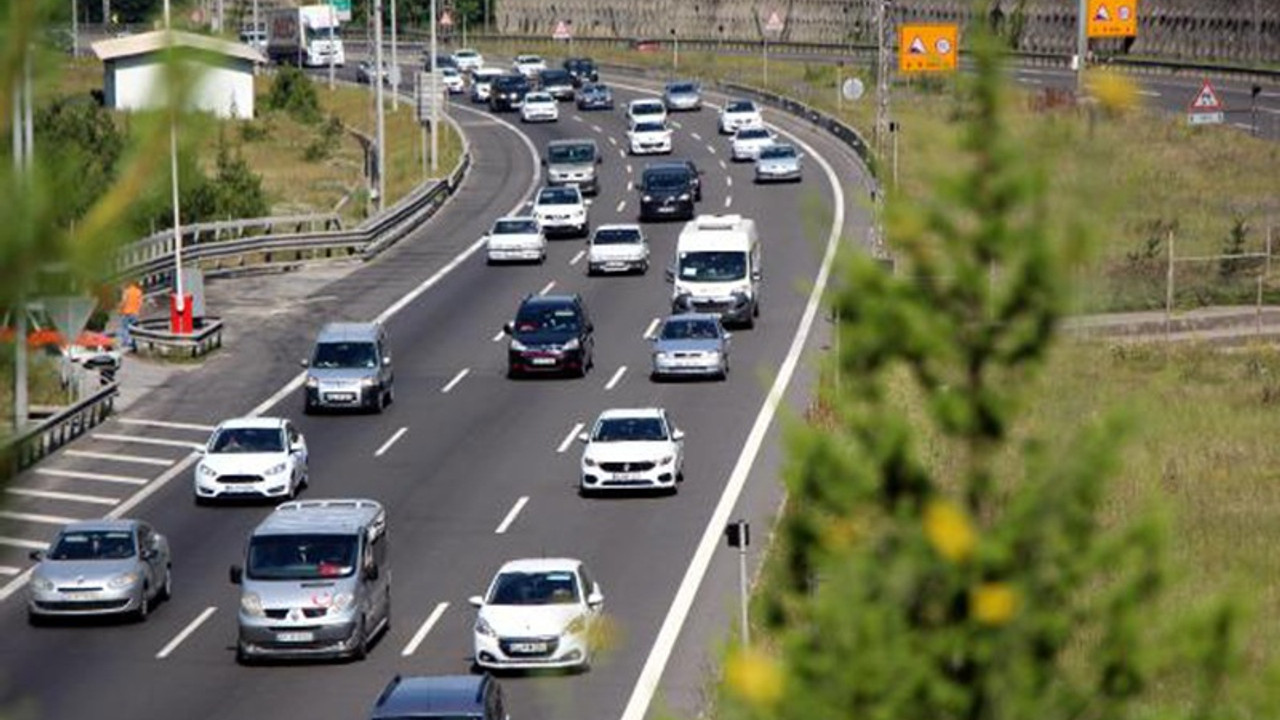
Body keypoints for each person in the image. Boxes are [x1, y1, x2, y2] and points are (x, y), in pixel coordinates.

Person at [118, 281, 142, 352]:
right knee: (134, 329)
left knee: (125, 328)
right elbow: (140, 302)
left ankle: (126, 343)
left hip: (126, 313)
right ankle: (133, 343)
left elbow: (124, 301)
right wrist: (137, 310)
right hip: (135, 313)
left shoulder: (127, 291)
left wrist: (120, 309)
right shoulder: (138, 292)